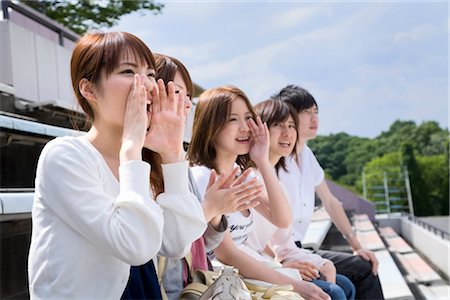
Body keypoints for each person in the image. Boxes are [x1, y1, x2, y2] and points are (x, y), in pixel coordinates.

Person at [28, 31, 207, 299]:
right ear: (88, 89)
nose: (146, 85)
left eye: (149, 74)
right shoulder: (64, 156)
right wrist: (132, 147)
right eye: (127, 71)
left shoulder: (137, 159)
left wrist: (171, 152)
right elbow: (134, 246)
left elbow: (175, 242)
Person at [122, 54, 263, 300]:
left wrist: (216, 214)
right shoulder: (133, 165)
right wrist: (209, 208)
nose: (187, 104)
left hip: (195, 286)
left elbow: (200, 248)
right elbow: (158, 249)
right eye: (176, 93)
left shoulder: (177, 164)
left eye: (189, 97)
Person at [188, 85, 330, 300]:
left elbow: (282, 219)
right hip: (222, 280)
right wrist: (296, 286)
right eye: (232, 119)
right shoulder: (203, 177)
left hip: (243, 273)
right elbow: (227, 253)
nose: (245, 127)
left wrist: (262, 160)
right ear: (210, 125)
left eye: (248, 118)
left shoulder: (240, 176)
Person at [274, 84, 384, 299]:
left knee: (365, 264)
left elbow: (331, 202)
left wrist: (356, 245)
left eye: (316, 112)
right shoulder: (275, 157)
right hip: (282, 252)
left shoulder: (306, 155)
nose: (314, 119)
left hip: (298, 248)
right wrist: (280, 262)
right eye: (307, 113)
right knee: (349, 281)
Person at [248, 99, 355, 300]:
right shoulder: (249, 178)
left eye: (291, 126)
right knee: (334, 291)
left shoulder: (276, 182)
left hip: (271, 260)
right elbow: (245, 242)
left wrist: (322, 263)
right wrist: (280, 267)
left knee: (343, 285)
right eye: (277, 125)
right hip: (253, 267)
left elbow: (282, 243)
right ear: (259, 130)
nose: (287, 133)